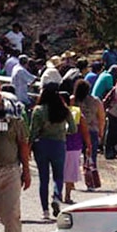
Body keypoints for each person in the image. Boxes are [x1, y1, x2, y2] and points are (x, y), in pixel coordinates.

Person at [0, 89, 31, 232]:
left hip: (9, 171)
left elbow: (22, 142)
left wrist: (26, 170)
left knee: (12, 219)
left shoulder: (12, 112)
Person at [30, 83, 77, 220]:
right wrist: (63, 132)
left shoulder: (38, 110)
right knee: (58, 176)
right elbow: (73, 129)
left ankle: (45, 210)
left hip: (42, 145)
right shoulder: (64, 109)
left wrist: (29, 146)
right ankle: (56, 197)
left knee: (43, 178)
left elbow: (33, 131)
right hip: (59, 144)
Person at [60, 90, 91, 204]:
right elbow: (85, 131)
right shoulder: (77, 113)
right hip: (73, 146)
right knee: (70, 172)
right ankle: (66, 196)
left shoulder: (54, 112)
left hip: (61, 145)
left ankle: (60, 194)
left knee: (61, 172)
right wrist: (88, 145)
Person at [73, 79, 104, 184]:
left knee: (74, 156)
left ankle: (71, 181)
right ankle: (90, 181)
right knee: (91, 156)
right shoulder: (96, 101)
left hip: (77, 131)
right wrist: (101, 131)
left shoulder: (73, 100)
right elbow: (101, 118)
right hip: (92, 131)